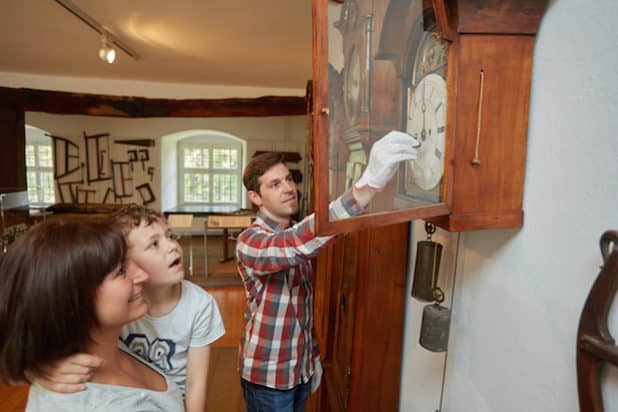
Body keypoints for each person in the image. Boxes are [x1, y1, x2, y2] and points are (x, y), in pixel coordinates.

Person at [236, 130, 418, 411]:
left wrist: (312, 358)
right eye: (274, 184)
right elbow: (295, 243)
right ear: (255, 197)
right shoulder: (250, 241)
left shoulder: (293, 233)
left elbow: (300, 310)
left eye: (288, 179)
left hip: (299, 370)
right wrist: (366, 186)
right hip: (268, 378)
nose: (288, 188)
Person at [35, 206, 226, 412]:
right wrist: (45, 370)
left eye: (170, 236)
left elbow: (196, 383)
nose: (172, 246)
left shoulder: (198, 304)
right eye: (154, 244)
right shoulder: (118, 306)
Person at [0, 219, 185, 411]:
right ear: (73, 301)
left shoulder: (109, 343)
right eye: (121, 271)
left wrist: (34, 368)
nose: (142, 275)